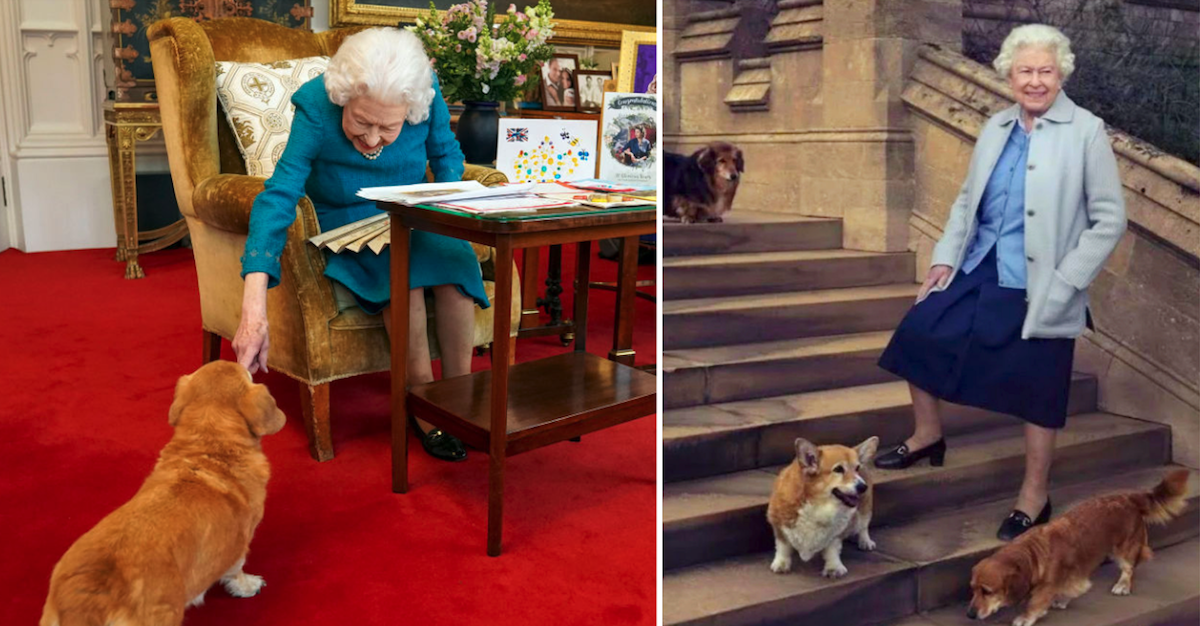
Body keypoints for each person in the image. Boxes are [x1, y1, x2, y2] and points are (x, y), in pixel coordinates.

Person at [873, 24, 1126, 541]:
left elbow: (1109, 219)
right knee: (918, 334)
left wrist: (1068, 281)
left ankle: (1034, 495)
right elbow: (968, 200)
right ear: (1009, 75)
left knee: (1039, 387)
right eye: (1025, 71)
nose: (1035, 81)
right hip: (980, 264)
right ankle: (927, 436)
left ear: (1062, 75)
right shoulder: (996, 127)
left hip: (1042, 282)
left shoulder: (1086, 131)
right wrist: (944, 258)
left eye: (1045, 71)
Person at [234, 28, 487, 463]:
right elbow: (279, 193)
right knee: (402, 280)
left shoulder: (425, 92)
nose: (372, 140)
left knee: (456, 274)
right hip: (346, 217)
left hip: (414, 210)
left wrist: (455, 219)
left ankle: (458, 399)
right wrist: (253, 302)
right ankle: (424, 405)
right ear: (343, 98)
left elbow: (446, 161)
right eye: (361, 122)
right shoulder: (316, 103)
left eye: (388, 127)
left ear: (410, 108)